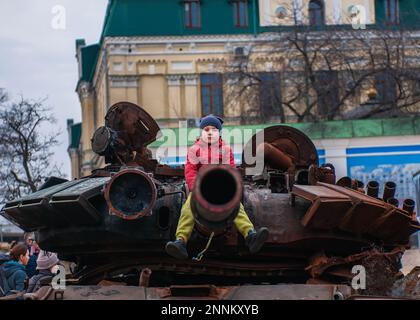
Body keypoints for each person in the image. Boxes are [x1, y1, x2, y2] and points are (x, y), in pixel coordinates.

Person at [165, 115, 269, 260]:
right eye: (206, 129)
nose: (209, 132)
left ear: (219, 132)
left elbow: (230, 170)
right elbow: (190, 171)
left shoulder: (225, 150)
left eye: (213, 129)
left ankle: (250, 235)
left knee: (236, 208)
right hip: (199, 190)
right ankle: (181, 241)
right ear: (201, 132)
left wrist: (228, 187)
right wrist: (196, 189)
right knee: (188, 208)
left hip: (221, 189)